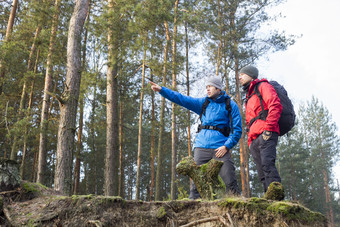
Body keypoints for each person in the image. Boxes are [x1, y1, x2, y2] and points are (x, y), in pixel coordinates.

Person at [149, 76, 242, 199]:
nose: (207, 89)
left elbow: (237, 130)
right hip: (201, 147)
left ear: (218, 88)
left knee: (229, 179)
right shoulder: (203, 103)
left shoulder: (230, 105)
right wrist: (162, 90)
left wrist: (226, 146)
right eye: (206, 87)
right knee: (196, 184)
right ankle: (193, 206)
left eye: (210, 86)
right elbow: (181, 99)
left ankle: (237, 205)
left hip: (220, 148)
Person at [239, 65, 282, 192]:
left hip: (266, 134)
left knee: (268, 167)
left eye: (242, 74)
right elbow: (249, 122)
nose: (239, 77)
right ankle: (270, 200)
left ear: (250, 74)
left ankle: (277, 200)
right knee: (261, 174)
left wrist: (268, 129)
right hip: (254, 139)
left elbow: (275, 105)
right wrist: (250, 142)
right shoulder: (249, 96)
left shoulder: (263, 86)